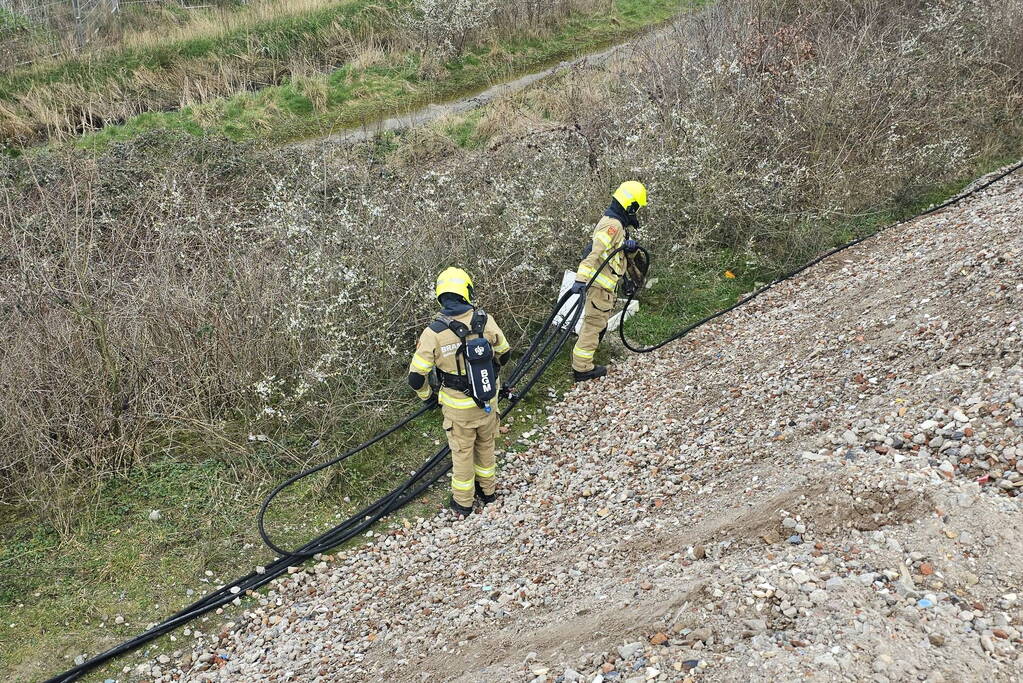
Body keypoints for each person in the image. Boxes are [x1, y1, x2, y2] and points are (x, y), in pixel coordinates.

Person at [408, 267, 512, 517]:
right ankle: (488, 492)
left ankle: (463, 503)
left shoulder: (434, 332)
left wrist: (427, 396)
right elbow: (505, 352)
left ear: (441, 296)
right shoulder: (485, 320)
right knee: (486, 446)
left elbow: (415, 377)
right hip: (487, 401)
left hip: (458, 409)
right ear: (466, 292)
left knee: (463, 453)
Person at [570, 181, 647, 382]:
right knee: (593, 326)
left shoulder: (617, 226)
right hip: (599, 288)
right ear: (630, 206)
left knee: (598, 325)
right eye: (636, 208)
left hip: (605, 288)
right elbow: (593, 254)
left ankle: (585, 364)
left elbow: (613, 257)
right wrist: (580, 279)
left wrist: (628, 252)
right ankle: (582, 369)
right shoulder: (612, 226)